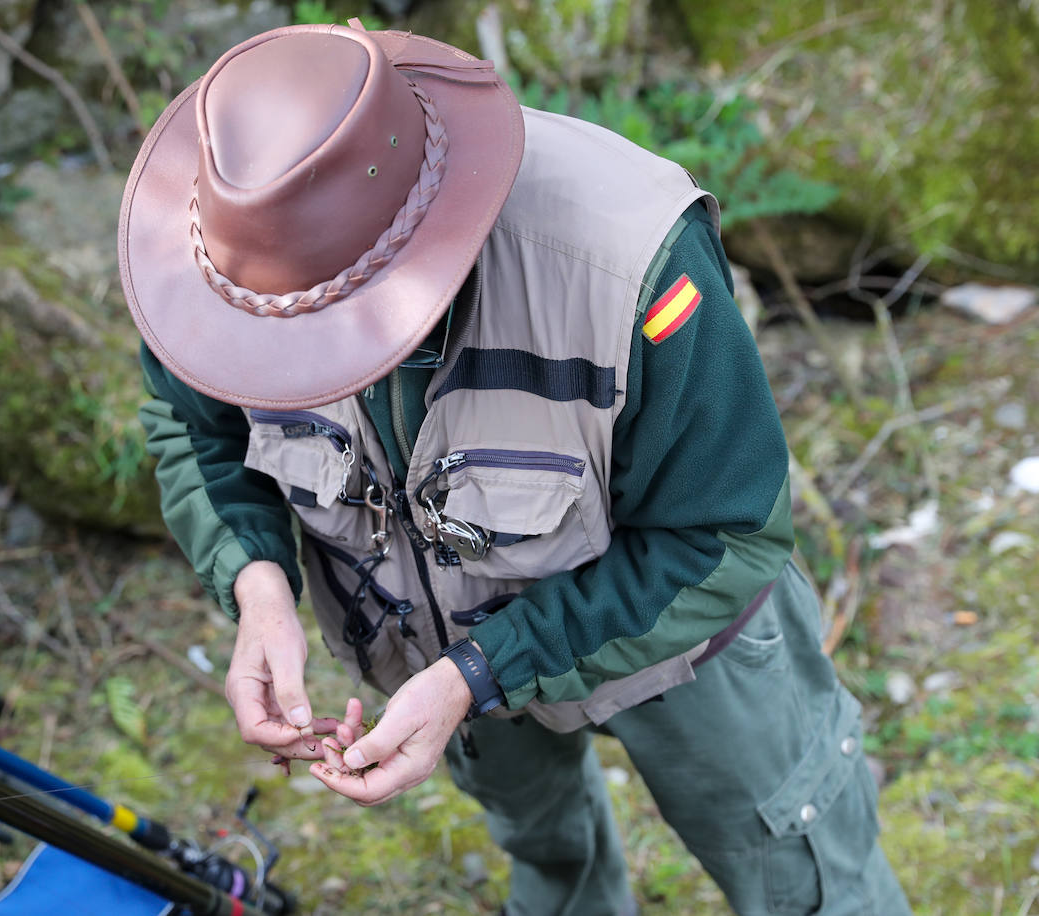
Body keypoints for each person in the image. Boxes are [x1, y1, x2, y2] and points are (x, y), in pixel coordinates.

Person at [119, 21, 910, 915]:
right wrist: (256, 586)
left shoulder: (632, 263)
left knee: (800, 869)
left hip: (680, 637)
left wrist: (483, 669)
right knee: (544, 855)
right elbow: (194, 428)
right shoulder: (210, 262)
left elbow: (722, 532)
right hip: (432, 664)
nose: (311, 369)